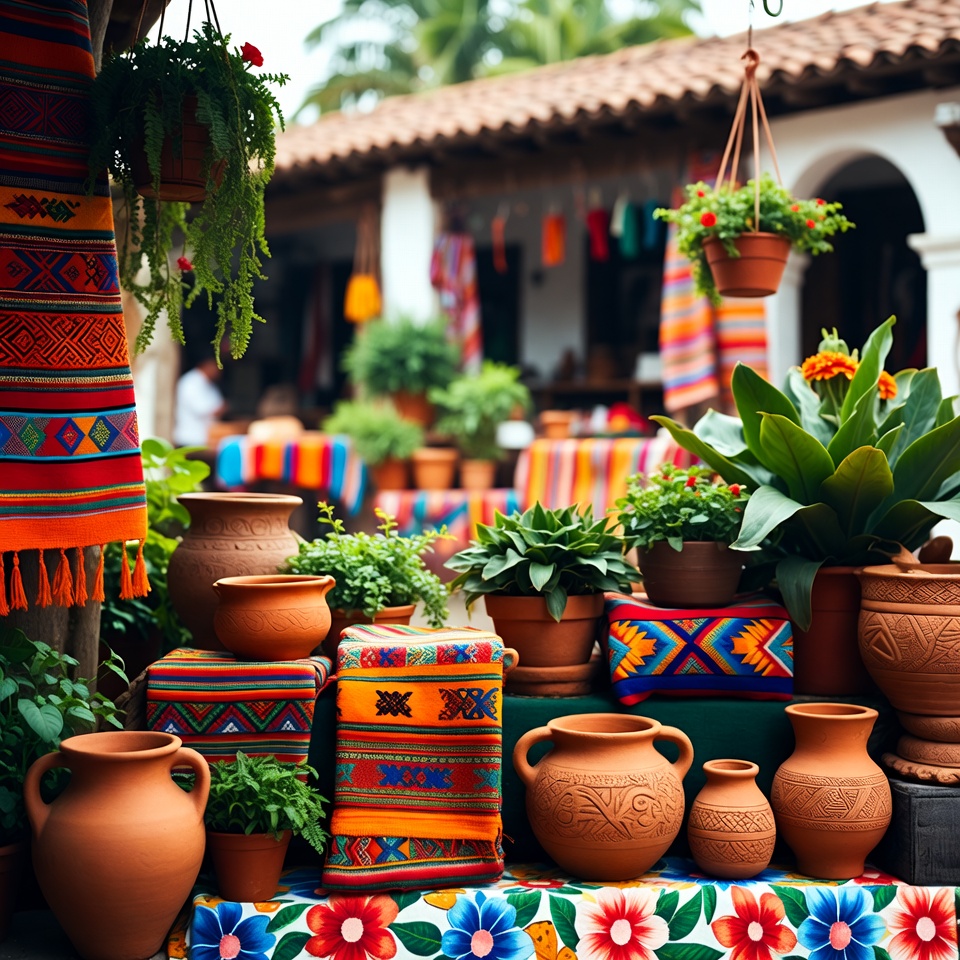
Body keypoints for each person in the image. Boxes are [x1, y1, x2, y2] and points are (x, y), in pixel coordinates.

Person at [173, 355, 225, 447]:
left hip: (205, 437)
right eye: (217, 365)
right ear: (206, 365)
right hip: (190, 437)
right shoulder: (191, 382)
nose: (219, 370)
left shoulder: (210, 384)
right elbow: (203, 410)